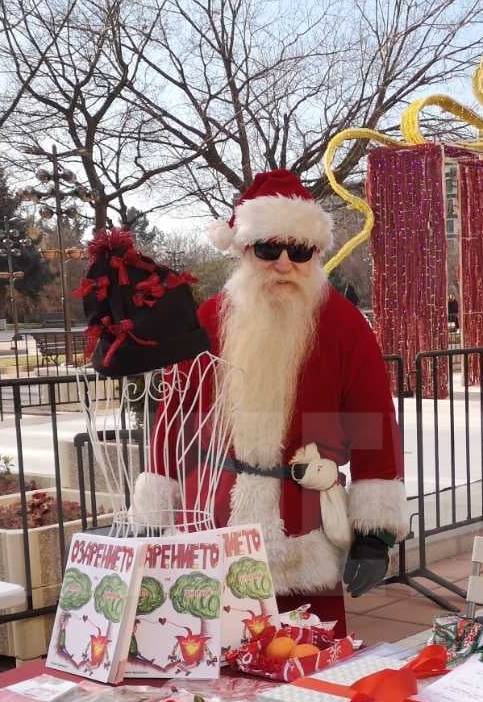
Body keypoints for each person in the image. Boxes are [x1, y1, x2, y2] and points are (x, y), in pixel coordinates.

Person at [131, 170, 411, 633]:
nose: (284, 264)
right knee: (205, 652)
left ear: (315, 253)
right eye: (268, 249)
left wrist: (373, 536)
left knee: (308, 665)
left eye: (298, 251)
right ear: (244, 249)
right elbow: (173, 417)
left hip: (302, 522)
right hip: (211, 518)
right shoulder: (207, 319)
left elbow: (373, 424)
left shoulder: (344, 326)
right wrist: (156, 510)